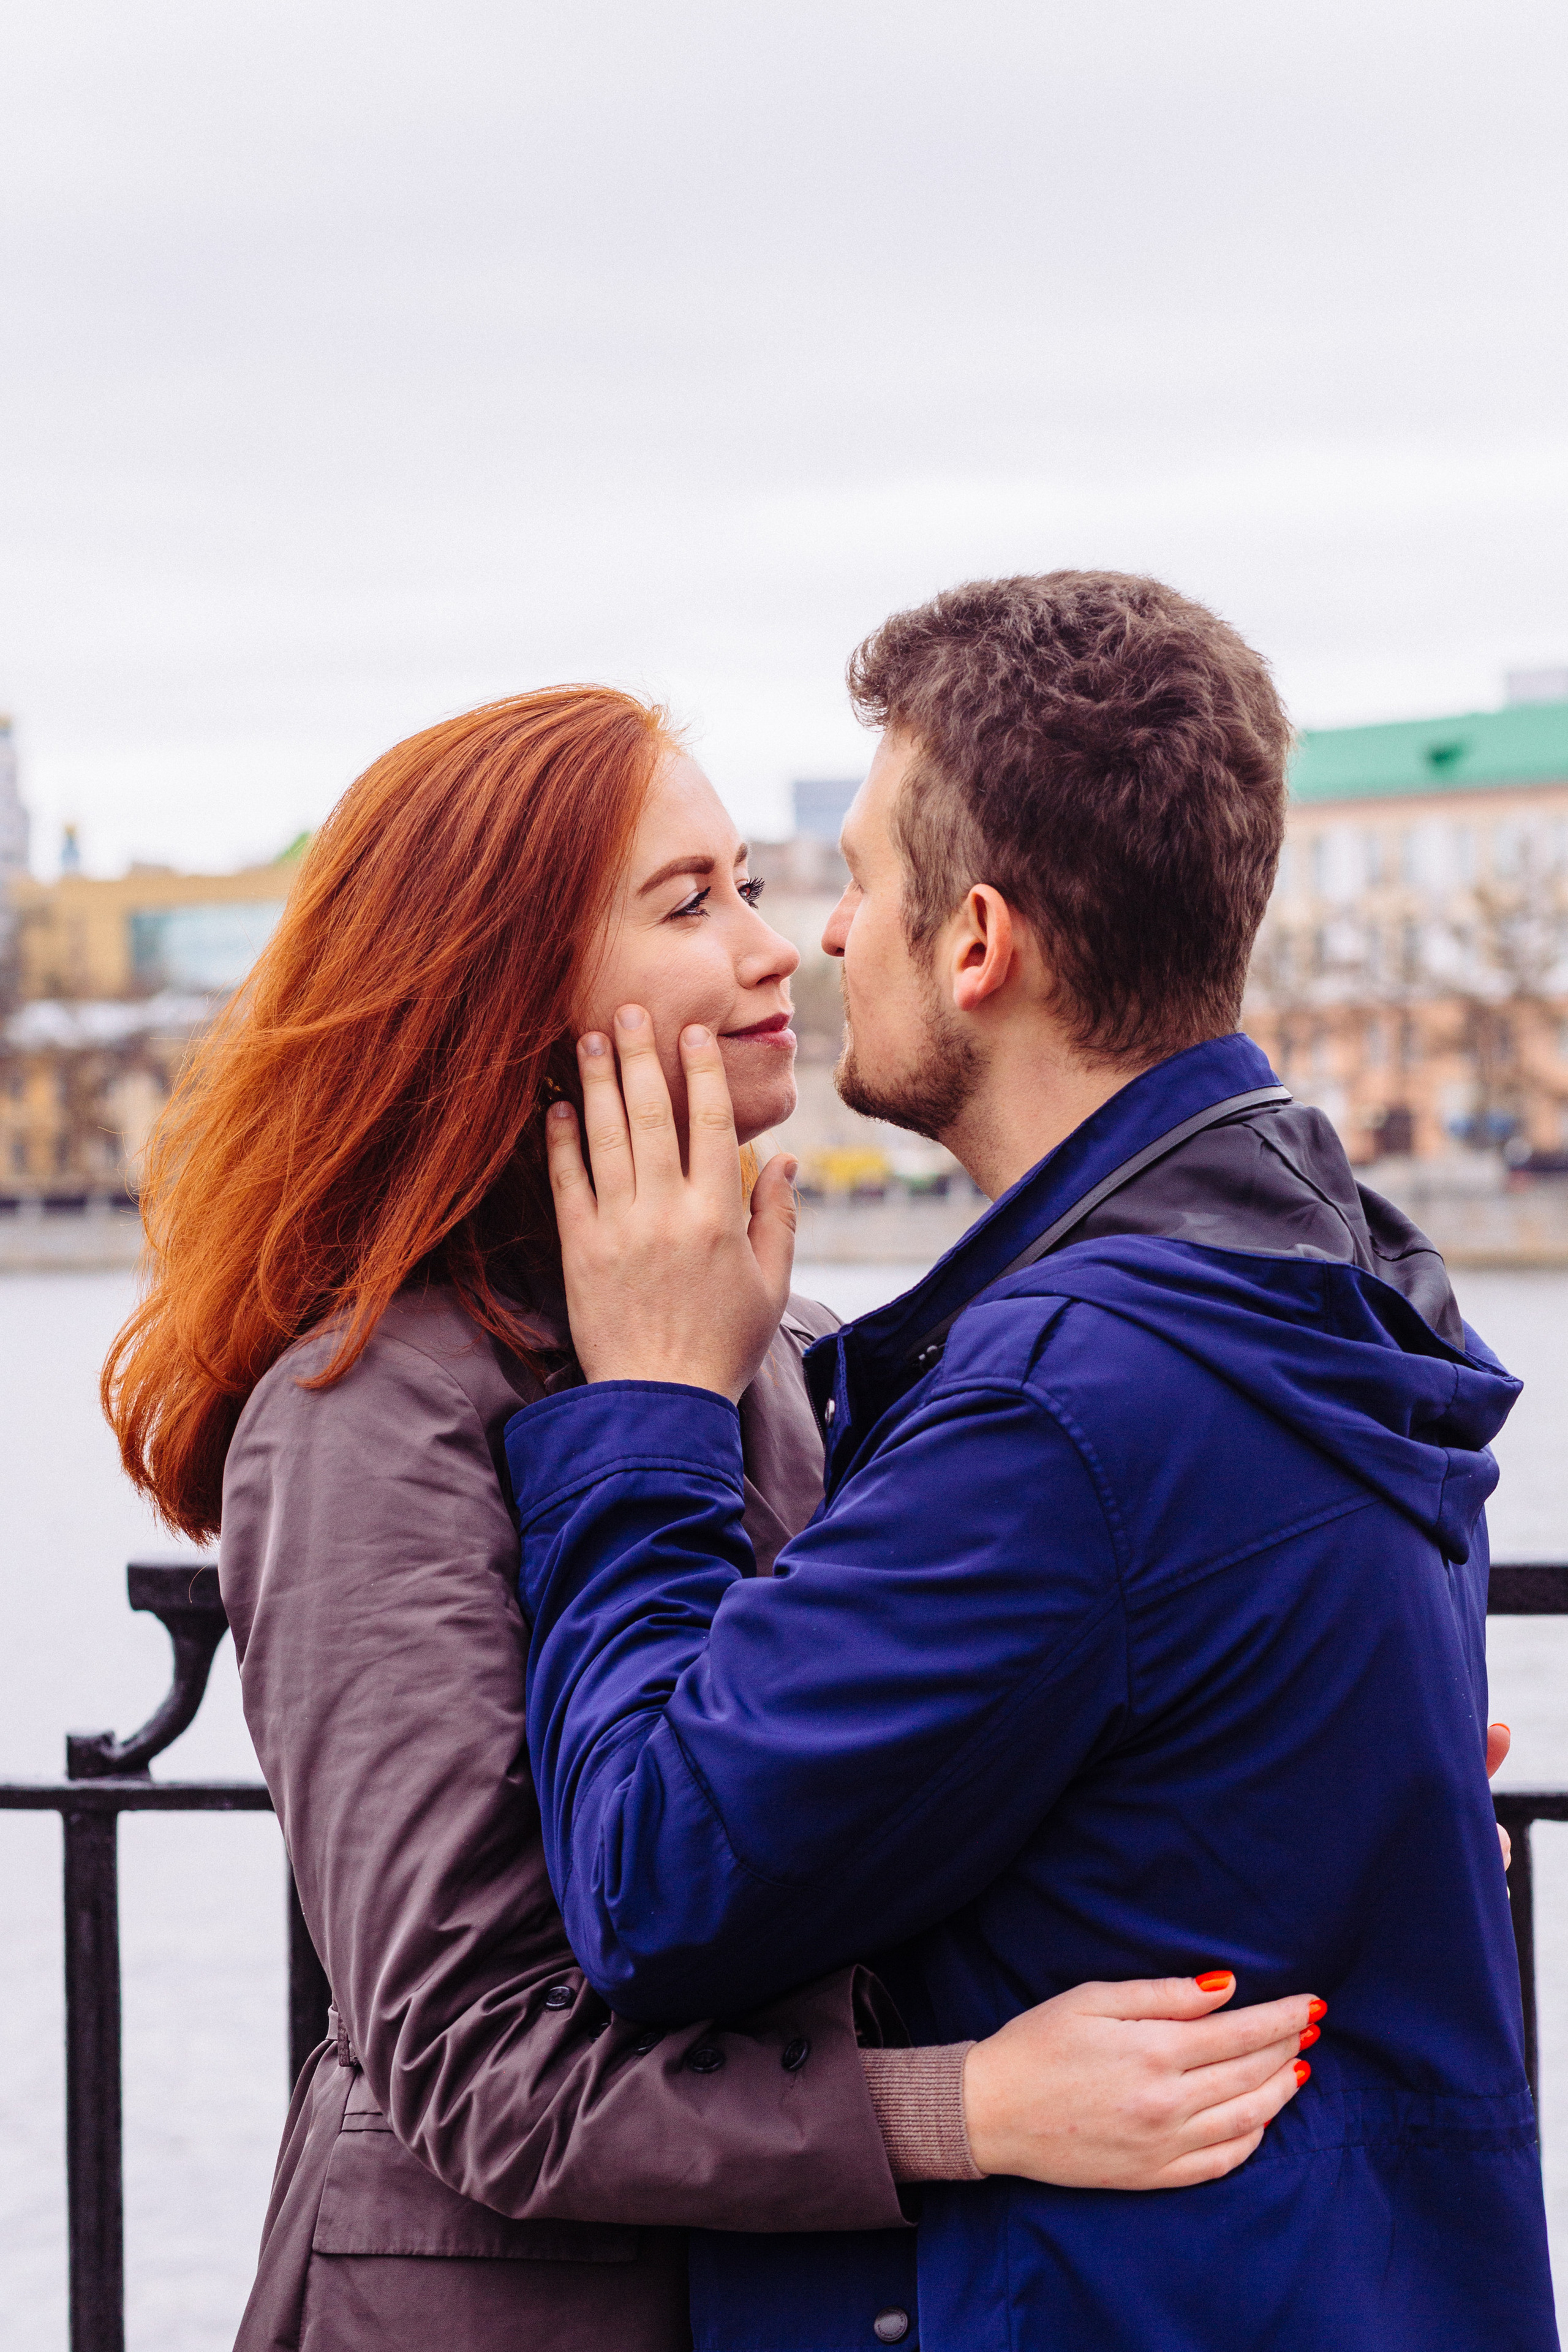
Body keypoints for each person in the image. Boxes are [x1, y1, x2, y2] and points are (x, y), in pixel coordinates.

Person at [101, 684, 1318, 2352]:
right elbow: (478, 2060)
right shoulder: (369, 1408)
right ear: (508, 991)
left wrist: (1271, 1746)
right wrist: (965, 2111)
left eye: (751, 882)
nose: (778, 950)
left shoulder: (794, 1357)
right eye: (691, 903)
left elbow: (870, 1809)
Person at [508, 576, 1557, 2352]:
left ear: (977, 943)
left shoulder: (1073, 1403)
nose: (825, 937)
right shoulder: (1329, 1285)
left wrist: (658, 1412)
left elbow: (650, 1881)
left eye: (856, 883)